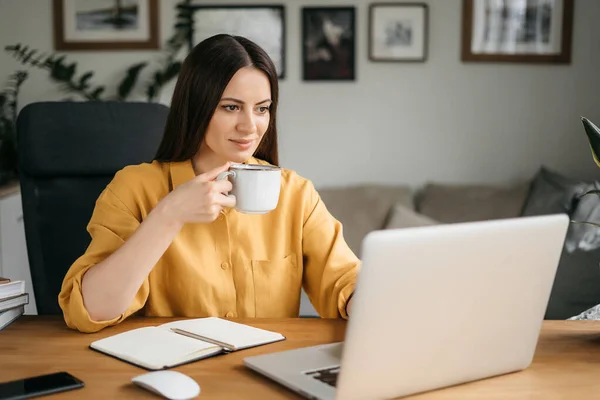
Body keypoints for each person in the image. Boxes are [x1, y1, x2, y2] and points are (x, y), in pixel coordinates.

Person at [58, 34, 360, 333]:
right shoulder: (133, 188)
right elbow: (92, 310)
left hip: (265, 368)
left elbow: (345, 281)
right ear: (196, 106)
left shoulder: (295, 193)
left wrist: (367, 301)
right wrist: (168, 215)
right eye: (231, 107)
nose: (250, 126)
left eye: (262, 108)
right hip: (171, 369)